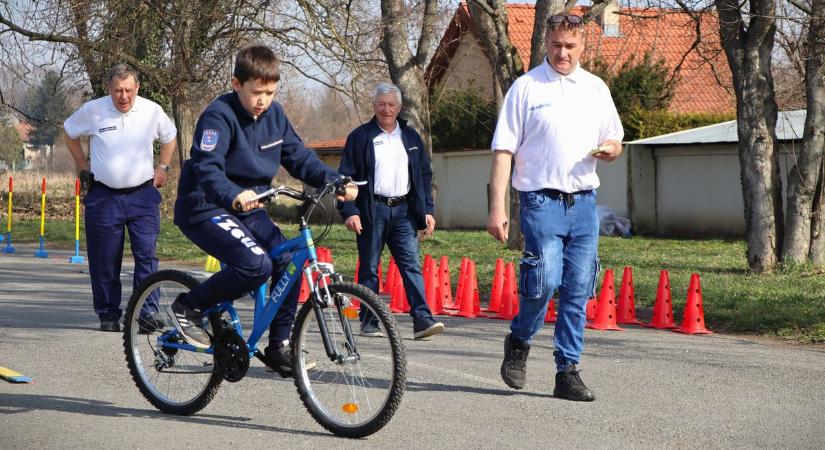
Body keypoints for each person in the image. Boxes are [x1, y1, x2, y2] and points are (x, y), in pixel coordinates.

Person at [169, 45, 356, 377]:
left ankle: (278, 346)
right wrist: (233, 195)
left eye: (270, 92)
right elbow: (208, 170)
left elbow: (300, 158)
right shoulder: (218, 116)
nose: (263, 100)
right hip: (206, 206)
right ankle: (189, 306)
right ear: (236, 84)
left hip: (250, 207)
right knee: (257, 264)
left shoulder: (276, 116)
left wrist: (336, 180)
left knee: (287, 261)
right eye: (257, 92)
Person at [487, 12, 623, 401]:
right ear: (546, 43)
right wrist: (498, 209)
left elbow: (614, 139)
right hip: (539, 200)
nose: (562, 53)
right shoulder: (526, 88)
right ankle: (520, 340)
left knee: (578, 287)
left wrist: (611, 149)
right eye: (556, 46)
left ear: (582, 46)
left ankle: (568, 370)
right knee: (544, 280)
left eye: (570, 47)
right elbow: (503, 152)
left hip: (583, 203)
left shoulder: (596, 89)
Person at [64, 64, 177, 333]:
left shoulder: (151, 111)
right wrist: (82, 164)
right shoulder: (94, 110)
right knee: (104, 258)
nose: (123, 96)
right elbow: (69, 132)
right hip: (104, 196)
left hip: (142, 195)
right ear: (109, 90)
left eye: (128, 90)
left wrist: (163, 167)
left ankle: (147, 313)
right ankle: (108, 314)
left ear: (137, 88)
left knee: (147, 255)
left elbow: (170, 137)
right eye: (117, 91)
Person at [337, 82, 445, 340]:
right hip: (371, 211)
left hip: (404, 211)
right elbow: (345, 178)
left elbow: (424, 174)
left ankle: (422, 320)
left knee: (411, 266)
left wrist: (427, 210)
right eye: (382, 104)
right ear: (374, 106)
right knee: (370, 269)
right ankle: (369, 322)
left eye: (391, 105)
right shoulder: (360, 137)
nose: (387, 109)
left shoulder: (410, 137)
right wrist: (349, 211)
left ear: (400, 107)